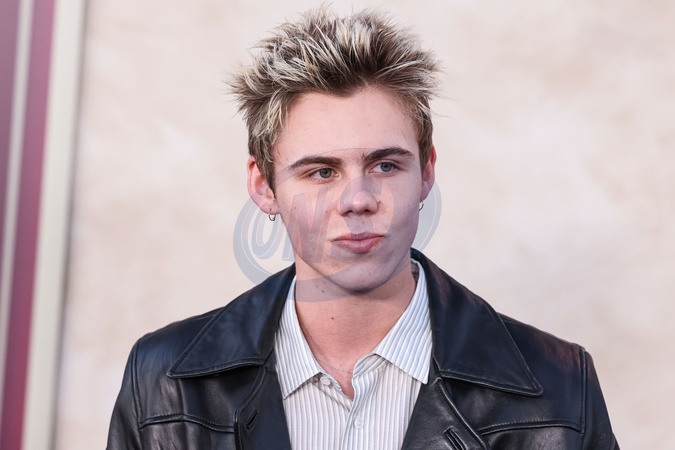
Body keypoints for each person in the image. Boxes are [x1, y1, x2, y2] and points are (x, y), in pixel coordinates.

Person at [106, 7, 618, 449]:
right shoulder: (163, 382)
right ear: (264, 186)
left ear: (427, 172)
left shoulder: (561, 388)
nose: (357, 200)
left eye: (386, 165)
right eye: (321, 172)